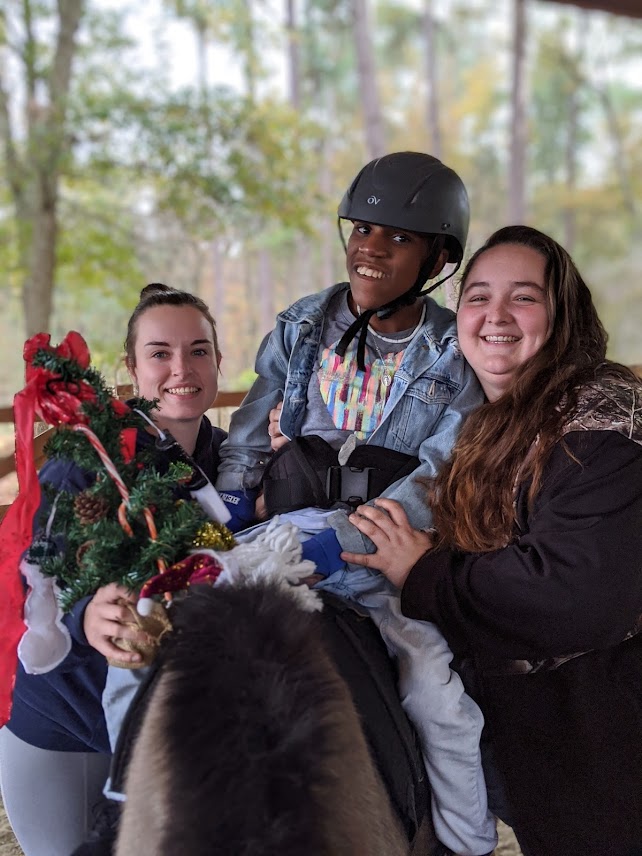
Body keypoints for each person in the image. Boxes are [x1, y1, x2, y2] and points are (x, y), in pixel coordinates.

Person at [216, 152, 498, 856]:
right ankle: (125, 804)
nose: (370, 250)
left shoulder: (449, 355)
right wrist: (227, 509)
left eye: (398, 238)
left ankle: (468, 841)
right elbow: (252, 423)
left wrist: (343, 541)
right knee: (176, 619)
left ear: (439, 256)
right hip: (284, 527)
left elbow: (440, 473)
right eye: (362, 230)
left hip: (385, 559)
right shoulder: (303, 324)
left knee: (437, 694)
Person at [341, 225, 642, 856]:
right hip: (529, 737)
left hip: (604, 736)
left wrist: (422, 572)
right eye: (477, 297)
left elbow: (576, 590)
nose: (495, 316)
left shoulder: (603, 413)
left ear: (562, 314)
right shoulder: (484, 422)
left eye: (524, 297)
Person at [0, 284, 227, 856]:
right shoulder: (84, 463)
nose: (182, 368)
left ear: (219, 361)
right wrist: (86, 616)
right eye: (160, 353)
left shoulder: (236, 462)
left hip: (179, 731)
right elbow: (38, 580)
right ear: (131, 367)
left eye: (199, 350)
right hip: (70, 728)